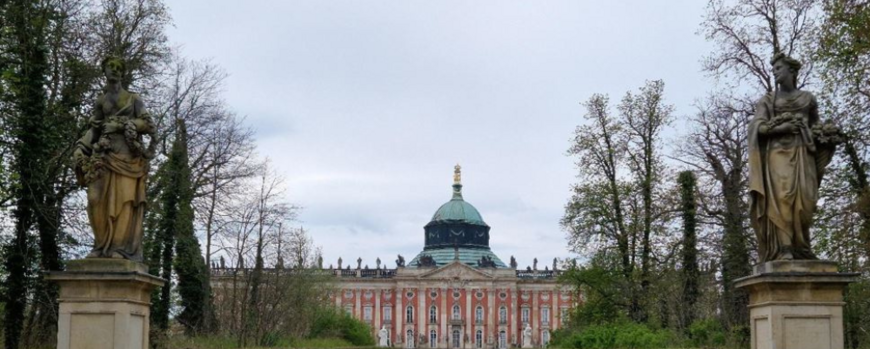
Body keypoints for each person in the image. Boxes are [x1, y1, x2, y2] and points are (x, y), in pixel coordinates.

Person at [748, 52, 838, 262]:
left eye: (779, 68)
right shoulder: (768, 101)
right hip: (777, 154)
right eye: (774, 69)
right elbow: (757, 128)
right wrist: (783, 127)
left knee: (807, 200)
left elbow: (816, 127)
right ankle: (785, 248)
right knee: (782, 200)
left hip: (804, 153)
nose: (775, 72)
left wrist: (828, 136)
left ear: (792, 71)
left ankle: (802, 246)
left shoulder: (807, 99)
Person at [73, 56, 155, 261]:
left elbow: (148, 124)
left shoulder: (133, 99)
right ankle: (100, 246)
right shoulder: (101, 101)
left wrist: (124, 125)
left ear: (123, 73)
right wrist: (81, 147)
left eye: (119, 67)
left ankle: (119, 248)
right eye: (111, 67)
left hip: (128, 157)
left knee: (125, 201)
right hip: (102, 155)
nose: (115, 70)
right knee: (94, 200)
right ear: (104, 70)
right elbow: (94, 128)